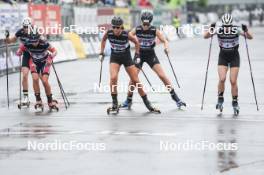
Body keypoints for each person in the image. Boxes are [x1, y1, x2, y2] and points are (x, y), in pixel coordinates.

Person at [121, 11, 186, 109]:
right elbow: (127, 36)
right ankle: (128, 100)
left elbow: (165, 41)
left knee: (162, 76)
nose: (145, 26)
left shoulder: (154, 30)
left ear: (150, 22)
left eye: (147, 24)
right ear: (142, 22)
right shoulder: (137, 29)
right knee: (133, 78)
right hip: (139, 55)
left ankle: (176, 98)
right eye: (144, 24)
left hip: (151, 55)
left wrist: (166, 48)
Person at [99, 16, 160, 113]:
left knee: (135, 80)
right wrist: (101, 52)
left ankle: (147, 103)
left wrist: (136, 55)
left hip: (126, 57)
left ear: (121, 27)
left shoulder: (126, 34)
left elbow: (136, 42)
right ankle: (114, 103)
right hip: (115, 57)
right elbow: (103, 40)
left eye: (118, 27)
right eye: (114, 27)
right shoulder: (109, 33)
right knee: (113, 78)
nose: (116, 29)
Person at [204, 13, 253, 114]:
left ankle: (235, 102)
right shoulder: (219, 29)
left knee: (233, 81)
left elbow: (250, 37)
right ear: (222, 24)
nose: (227, 28)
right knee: (222, 79)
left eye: (229, 26)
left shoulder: (236, 29)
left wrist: (246, 30)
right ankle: (220, 98)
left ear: (231, 24)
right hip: (223, 56)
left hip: (234, 56)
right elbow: (205, 36)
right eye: (225, 26)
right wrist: (210, 28)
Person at [16, 33, 58, 111]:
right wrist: (18, 52)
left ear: (39, 39)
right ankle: (38, 100)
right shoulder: (27, 43)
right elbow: (20, 50)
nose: (34, 43)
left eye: (36, 41)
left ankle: (50, 101)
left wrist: (51, 58)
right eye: (32, 41)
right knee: (35, 79)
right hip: (34, 62)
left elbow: (55, 51)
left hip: (45, 62)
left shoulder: (44, 43)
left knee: (45, 81)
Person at [5, 17, 35, 107]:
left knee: (36, 77)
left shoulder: (34, 31)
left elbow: (41, 41)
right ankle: (26, 98)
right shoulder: (20, 32)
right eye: (24, 26)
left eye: (27, 27)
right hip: (26, 55)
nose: (26, 28)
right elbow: (10, 41)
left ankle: (40, 97)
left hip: (35, 55)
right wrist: (7, 37)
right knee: (25, 76)